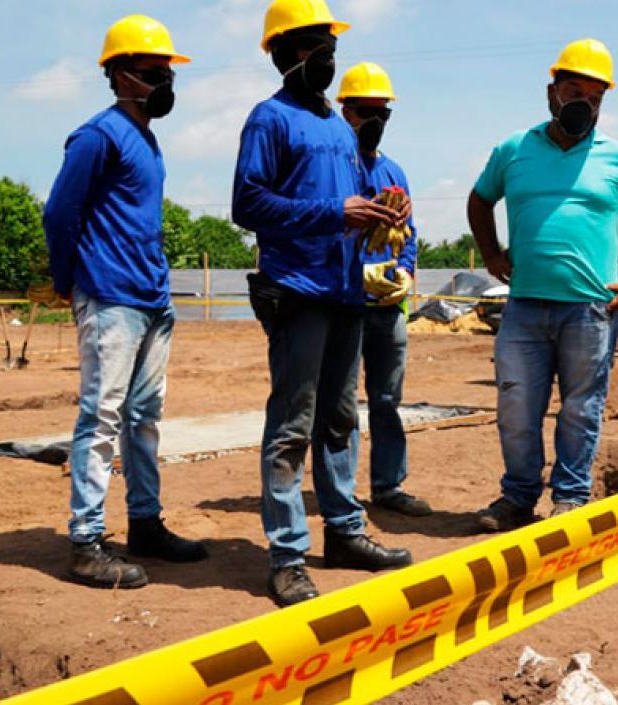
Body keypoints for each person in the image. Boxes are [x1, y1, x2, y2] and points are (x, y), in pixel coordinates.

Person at [232, 0, 412, 607]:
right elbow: (247, 205)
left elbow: (355, 199)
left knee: (341, 421)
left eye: (328, 42)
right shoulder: (269, 120)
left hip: (345, 294)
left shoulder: (338, 126)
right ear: (283, 54)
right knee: (292, 425)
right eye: (311, 44)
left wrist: (385, 204)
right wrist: (335, 213)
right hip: (299, 293)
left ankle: (344, 532)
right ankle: (286, 555)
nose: (324, 56)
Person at [468, 38, 618, 531]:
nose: (585, 104)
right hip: (525, 308)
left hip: (590, 310)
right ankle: (517, 499)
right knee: (517, 407)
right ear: (551, 92)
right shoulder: (514, 150)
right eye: (575, 91)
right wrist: (491, 253)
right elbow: (479, 200)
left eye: (596, 97)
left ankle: (571, 499)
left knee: (581, 409)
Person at [43, 15, 206, 589]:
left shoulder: (146, 139)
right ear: (118, 76)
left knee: (144, 418)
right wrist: (69, 281)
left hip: (151, 298)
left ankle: (145, 523)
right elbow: (59, 214)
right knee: (102, 414)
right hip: (111, 295)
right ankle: (86, 541)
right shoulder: (98, 136)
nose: (164, 81)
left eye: (166, 71)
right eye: (151, 72)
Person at [337, 62, 432, 517]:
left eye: (383, 113)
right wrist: (354, 273)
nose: (374, 121)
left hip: (388, 305)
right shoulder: (333, 168)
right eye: (365, 111)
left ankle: (388, 486)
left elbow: (408, 233)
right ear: (345, 112)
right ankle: (341, 491)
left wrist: (406, 275)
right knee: (340, 404)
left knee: (387, 400)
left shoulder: (394, 172)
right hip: (345, 302)